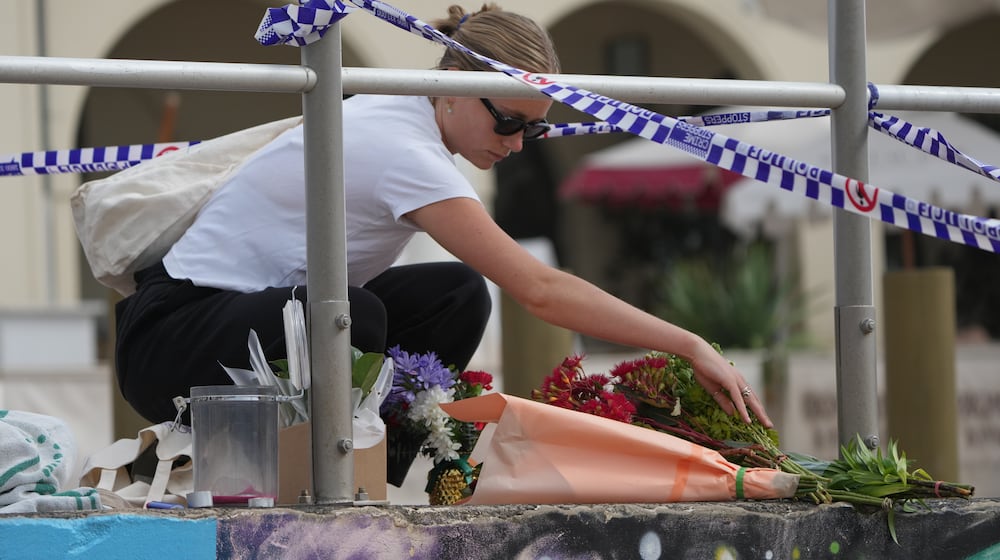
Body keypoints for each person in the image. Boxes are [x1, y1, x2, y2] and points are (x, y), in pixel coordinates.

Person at [114, 3, 772, 431]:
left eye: (531, 131)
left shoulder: (406, 114)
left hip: (229, 321)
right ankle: (351, 453)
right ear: (456, 85)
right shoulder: (406, 151)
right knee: (351, 315)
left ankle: (402, 441)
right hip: (169, 343)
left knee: (456, 293)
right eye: (508, 121)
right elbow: (540, 289)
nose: (515, 144)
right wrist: (687, 341)